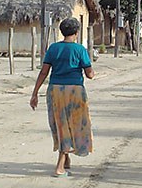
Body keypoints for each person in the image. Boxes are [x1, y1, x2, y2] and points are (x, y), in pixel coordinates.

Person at [30, 18, 95, 177]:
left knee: (60, 125)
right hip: (75, 91)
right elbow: (90, 74)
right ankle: (59, 167)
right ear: (76, 32)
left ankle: (65, 159)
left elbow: (44, 72)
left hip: (55, 91)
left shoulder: (53, 48)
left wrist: (35, 93)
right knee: (74, 125)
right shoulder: (80, 50)